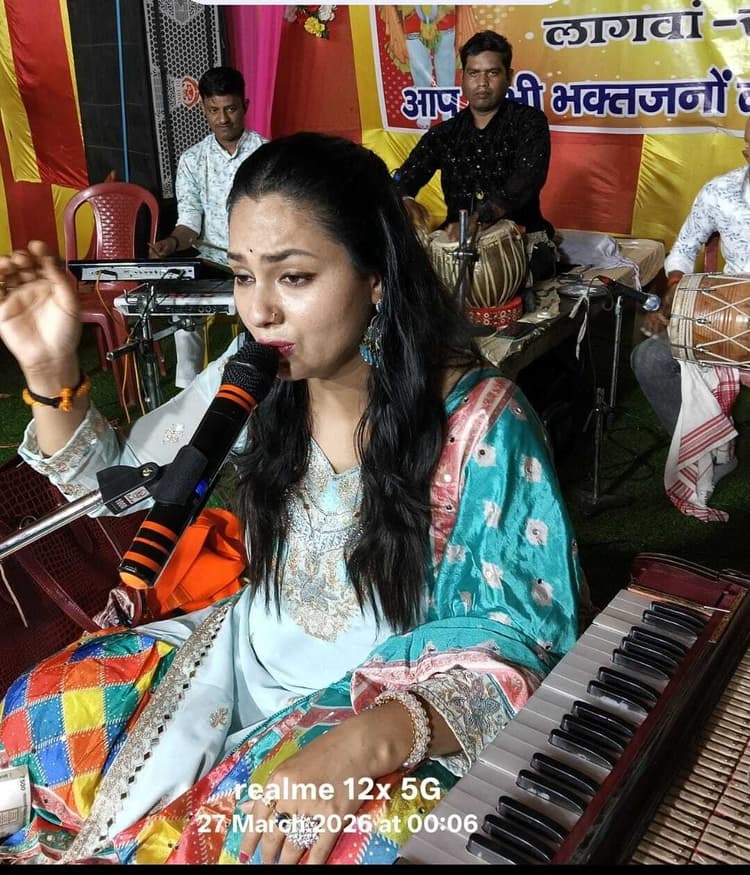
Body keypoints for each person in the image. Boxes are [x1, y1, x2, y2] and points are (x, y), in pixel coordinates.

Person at [0, 132, 583, 865]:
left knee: (324, 842)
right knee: (37, 710)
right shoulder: (254, 379)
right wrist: (53, 374)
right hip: (231, 662)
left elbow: (525, 643)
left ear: (376, 276)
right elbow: (122, 490)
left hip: (380, 707)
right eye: (244, 276)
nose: (260, 311)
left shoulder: (480, 424)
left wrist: (365, 742)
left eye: (294, 277)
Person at [630, 120, 750, 518]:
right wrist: (674, 289)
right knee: (650, 358)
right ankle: (711, 446)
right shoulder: (720, 192)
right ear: (747, 153)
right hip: (724, 320)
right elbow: (684, 247)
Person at [393, 30, 557, 283]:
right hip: (454, 243)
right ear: (463, 78)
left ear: (509, 77)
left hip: (520, 240)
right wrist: (404, 198)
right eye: (473, 73)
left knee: (522, 280)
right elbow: (405, 176)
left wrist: (479, 219)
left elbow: (527, 179)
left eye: (492, 73)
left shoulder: (529, 123)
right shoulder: (445, 133)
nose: (482, 82)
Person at [149, 66, 267, 389]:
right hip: (212, 263)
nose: (223, 119)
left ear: (245, 106)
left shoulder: (266, 154)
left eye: (230, 109)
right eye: (214, 110)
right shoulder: (192, 160)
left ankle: (258, 383)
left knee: (263, 313)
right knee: (183, 305)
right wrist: (172, 243)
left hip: (258, 263)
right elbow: (189, 223)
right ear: (203, 108)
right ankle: (188, 388)